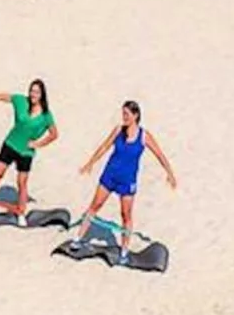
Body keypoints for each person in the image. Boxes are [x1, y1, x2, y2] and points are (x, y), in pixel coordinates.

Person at [70, 101, 177, 264]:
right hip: (109, 175)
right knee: (94, 206)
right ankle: (77, 239)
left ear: (135, 116)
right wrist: (90, 163)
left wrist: (170, 173)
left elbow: (160, 155)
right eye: (123, 114)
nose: (124, 117)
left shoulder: (144, 136)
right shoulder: (118, 130)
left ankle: (124, 251)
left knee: (126, 215)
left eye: (127, 114)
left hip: (127, 181)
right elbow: (104, 147)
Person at [0, 79, 58, 221]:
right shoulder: (21, 101)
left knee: (21, 183)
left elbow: (54, 134)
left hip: (26, 152)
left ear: (42, 94)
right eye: (31, 91)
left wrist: (38, 144)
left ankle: (21, 213)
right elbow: (2, 97)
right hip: (10, 144)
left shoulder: (46, 115)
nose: (33, 94)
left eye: (36, 92)